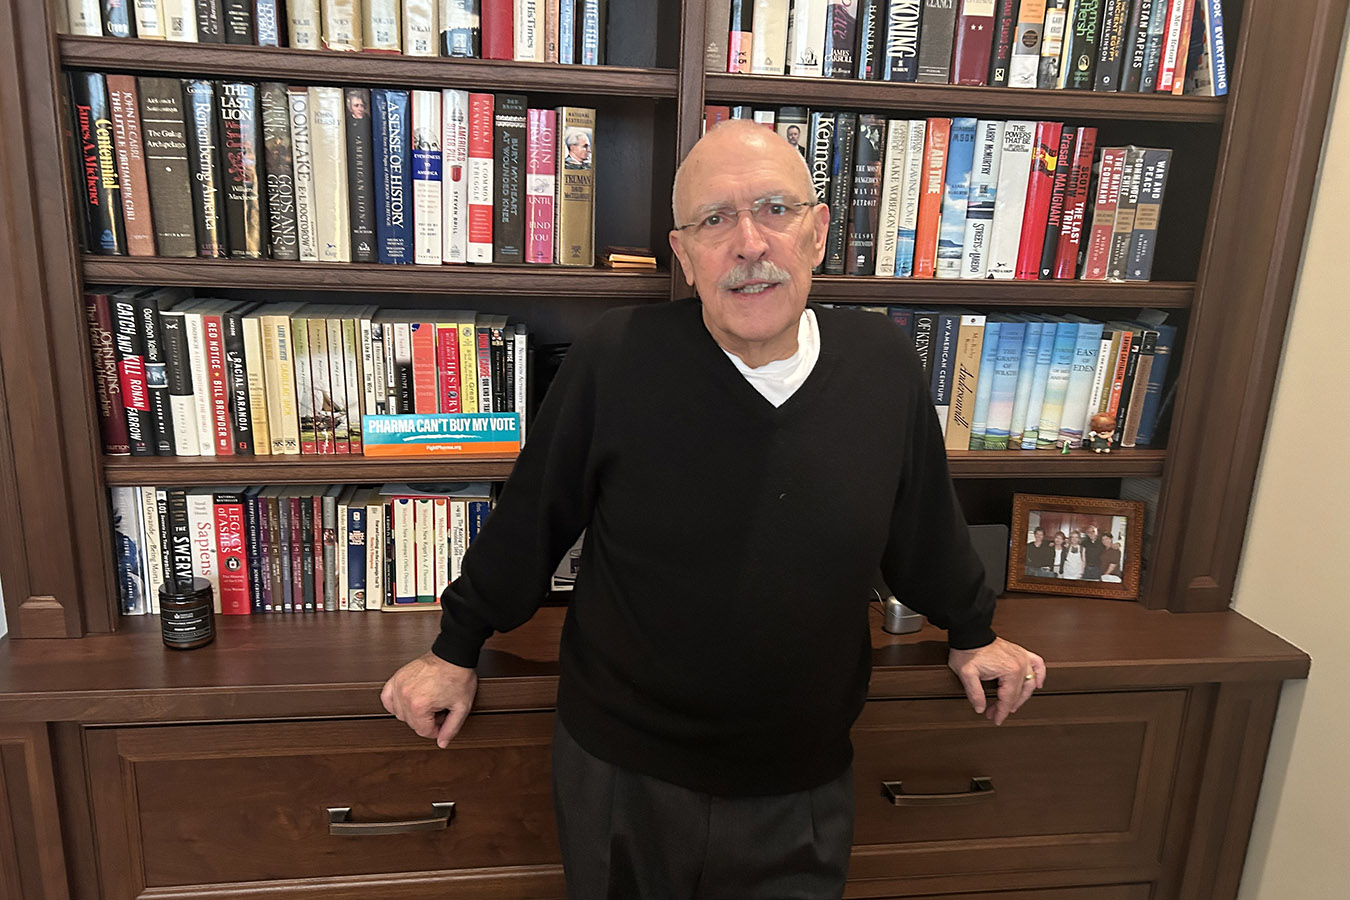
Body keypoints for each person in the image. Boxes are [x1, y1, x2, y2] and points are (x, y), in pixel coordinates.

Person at [381, 120, 1045, 900]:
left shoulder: (883, 363)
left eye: (775, 209)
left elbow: (922, 525)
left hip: (801, 775)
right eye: (715, 220)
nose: (750, 243)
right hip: (622, 772)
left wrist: (973, 633)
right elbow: (534, 519)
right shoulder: (615, 357)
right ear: (684, 254)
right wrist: (455, 647)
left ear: (819, 231)